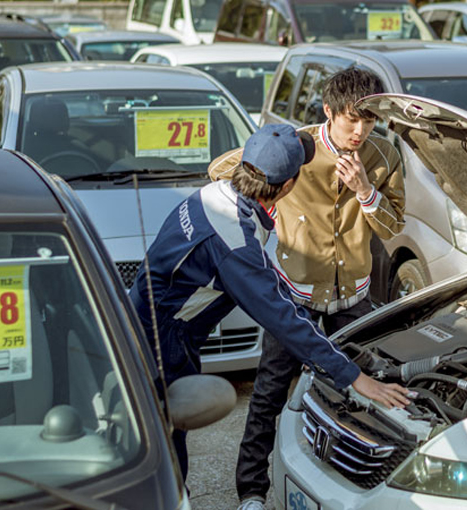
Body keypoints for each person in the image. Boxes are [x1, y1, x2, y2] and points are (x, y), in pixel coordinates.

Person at [129, 123, 410, 484]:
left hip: (147, 320)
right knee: (163, 447)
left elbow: (257, 276)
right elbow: (282, 319)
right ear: (288, 186)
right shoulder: (233, 240)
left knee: (157, 437)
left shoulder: (213, 194)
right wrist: (355, 378)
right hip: (163, 341)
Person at [208, 68, 406, 510]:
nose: (360, 131)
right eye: (351, 119)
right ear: (328, 112)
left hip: (353, 300)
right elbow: (222, 170)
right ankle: (252, 493)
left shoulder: (384, 156)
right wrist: (267, 204)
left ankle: (345, 486)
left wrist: (365, 189)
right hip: (293, 298)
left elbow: (393, 226)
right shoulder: (296, 145)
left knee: (360, 395)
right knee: (268, 394)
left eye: (369, 121)